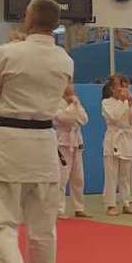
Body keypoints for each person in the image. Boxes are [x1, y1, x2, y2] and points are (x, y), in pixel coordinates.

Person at [0, 0, 74, 263]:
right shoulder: (65, 60)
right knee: (43, 226)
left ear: (29, 18)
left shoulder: (7, 53)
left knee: (0, 220)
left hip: (11, 145)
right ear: (55, 23)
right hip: (44, 144)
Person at [100, 74, 132, 216]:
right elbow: (115, 117)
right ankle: (110, 204)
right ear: (112, 88)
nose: (124, 89)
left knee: (126, 175)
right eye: (120, 86)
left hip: (127, 139)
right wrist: (124, 102)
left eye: (126, 86)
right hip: (113, 139)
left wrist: (130, 102)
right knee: (111, 175)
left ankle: (126, 203)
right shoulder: (107, 102)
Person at [52, 85, 89, 219]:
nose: (71, 87)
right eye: (68, 84)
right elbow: (62, 118)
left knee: (78, 177)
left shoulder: (76, 101)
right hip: (62, 142)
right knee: (62, 178)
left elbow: (84, 119)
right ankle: (59, 209)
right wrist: (73, 108)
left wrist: (75, 104)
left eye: (72, 84)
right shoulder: (56, 101)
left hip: (76, 141)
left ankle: (79, 208)